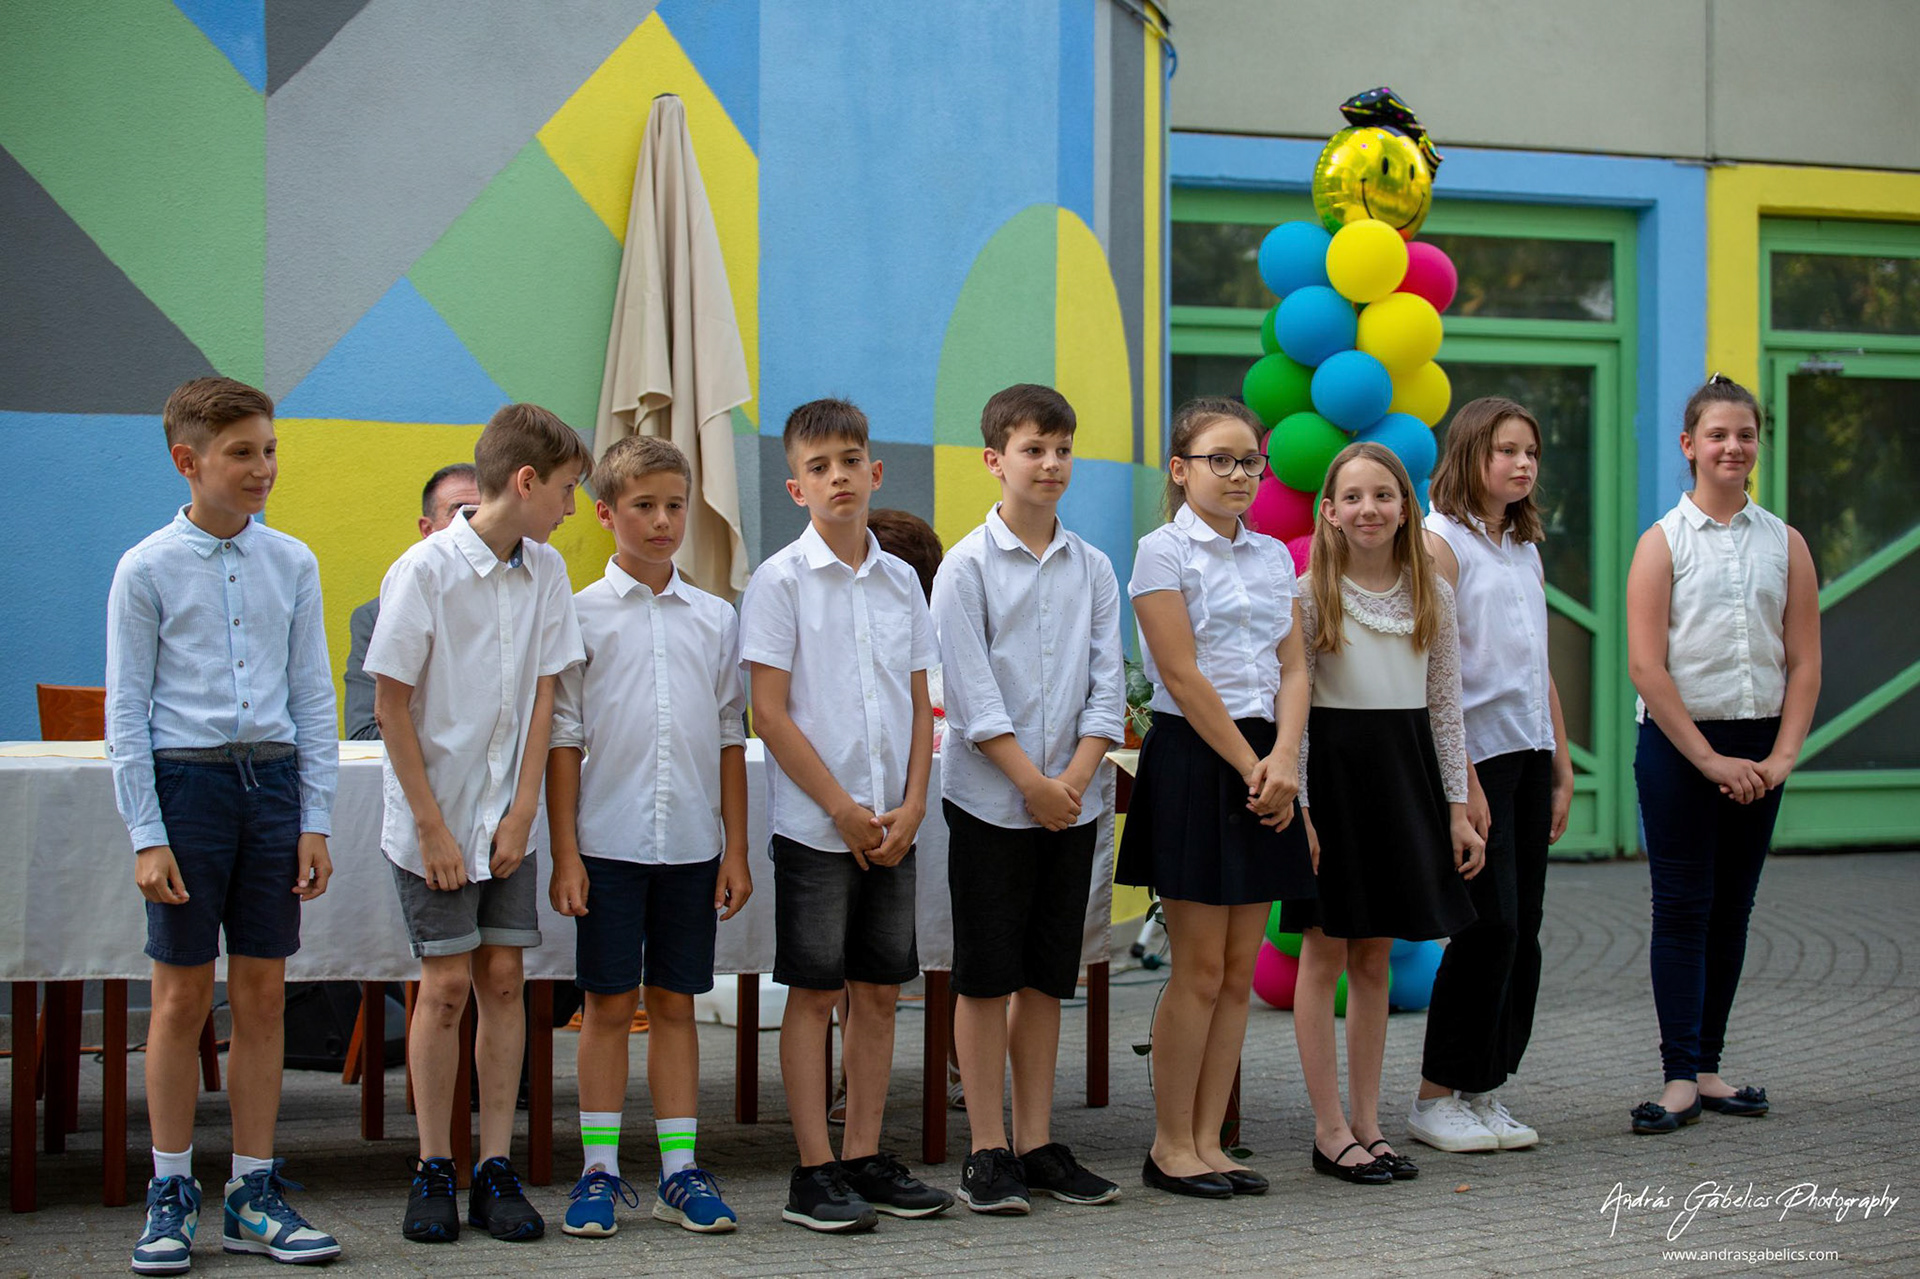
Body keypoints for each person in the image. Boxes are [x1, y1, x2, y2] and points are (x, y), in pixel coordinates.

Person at [107, 376, 341, 1273]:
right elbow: (126, 712)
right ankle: (171, 1188)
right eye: (242, 452)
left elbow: (313, 697)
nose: (262, 468)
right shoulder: (146, 568)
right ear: (188, 460)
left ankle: (252, 1189)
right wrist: (147, 833)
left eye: (269, 449)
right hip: (187, 789)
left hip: (272, 788)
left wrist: (314, 818)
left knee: (263, 995)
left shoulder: (294, 562)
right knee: (178, 997)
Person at [366, 403, 590, 1244]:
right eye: (565, 489)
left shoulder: (548, 571)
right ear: (525, 482)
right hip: (436, 820)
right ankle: (435, 1163)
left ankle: (495, 1164)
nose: (571, 507)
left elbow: (544, 691)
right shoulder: (422, 571)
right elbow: (390, 705)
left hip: (505, 818)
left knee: (503, 980)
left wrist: (524, 808)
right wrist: (432, 827)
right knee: (447, 986)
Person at [738, 398, 952, 1232]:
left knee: (879, 991)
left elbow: (918, 701)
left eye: (850, 461)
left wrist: (912, 803)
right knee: (815, 990)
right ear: (796, 487)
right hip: (817, 827)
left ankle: (863, 1153)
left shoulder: (901, 582)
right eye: (819, 467)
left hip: (893, 821)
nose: (838, 478)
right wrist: (840, 806)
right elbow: (769, 711)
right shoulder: (779, 581)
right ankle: (813, 1168)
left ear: (875, 472)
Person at [546, 435, 752, 1237]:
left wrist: (735, 849)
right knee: (606, 1005)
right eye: (643, 506)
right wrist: (567, 852)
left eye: (674, 505)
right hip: (607, 843)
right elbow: (565, 737)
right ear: (605, 514)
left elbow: (730, 735)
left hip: (693, 846)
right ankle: (598, 1170)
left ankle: (678, 1169)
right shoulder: (579, 614)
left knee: (675, 1002)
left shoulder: (716, 618)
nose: (663, 520)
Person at [932, 384, 1126, 1215]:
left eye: (1062, 449)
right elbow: (972, 699)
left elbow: (1108, 688)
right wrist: (1033, 784)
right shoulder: (965, 566)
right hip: (990, 801)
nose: (1051, 463)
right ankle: (987, 1148)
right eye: (1033, 449)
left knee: (1048, 973)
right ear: (994, 460)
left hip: (1073, 802)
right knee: (986, 975)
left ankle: (1038, 1140)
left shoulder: (1094, 566)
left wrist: (1072, 783)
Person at [1117, 397, 1312, 1200]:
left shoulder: (1272, 557)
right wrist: (1252, 765)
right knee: (1197, 967)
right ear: (1180, 468)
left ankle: (1210, 1139)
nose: (1239, 474)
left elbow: (1294, 665)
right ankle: (1170, 1145)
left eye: (1249, 462)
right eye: (1220, 460)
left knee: (1237, 971)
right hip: (1199, 760)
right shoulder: (1161, 551)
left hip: (1268, 759)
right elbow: (1180, 672)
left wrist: (1285, 758)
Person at [1624, 375, 1820, 1134]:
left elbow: (1804, 662)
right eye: (1717, 435)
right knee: (1682, 908)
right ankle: (1677, 1077)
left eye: (1745, 435)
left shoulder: (1786, 543)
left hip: (1760, 749)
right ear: (1689, 445)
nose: (1732, 447)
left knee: (1732, 910)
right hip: (1680, 748)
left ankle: (1708, 1068)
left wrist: (1782, 757)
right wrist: (1707, 760)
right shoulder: (1662, 542)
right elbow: (1647, 667)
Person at [1285, 441, 1483, 1186]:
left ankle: (1368, 1123)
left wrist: (1456, 808)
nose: (1368, 509)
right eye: (1353, 497)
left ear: (1406, 507)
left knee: (1374, 956)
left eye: (1383, 495)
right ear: (1329, 511)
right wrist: (1303, 808)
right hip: (1333, 784)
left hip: (1404, 782)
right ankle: (1328, 1128)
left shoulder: (1433, 593)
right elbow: (1297, 713)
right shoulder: (1309, 595)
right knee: (1324, 951)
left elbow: (1445, 709)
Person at [1408, 397, 1576, 1154]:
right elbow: (1434, 673)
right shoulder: (1441, 542)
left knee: (1522, 931)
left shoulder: (1523, 545)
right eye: (1506, 450)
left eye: (1530, 452)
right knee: (1485, 926)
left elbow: (1537, 664)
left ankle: (1483, 1088)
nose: (1522, 464)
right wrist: (1463, 781)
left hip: (1529, 753)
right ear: (1471, 454)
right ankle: (1434, 1096)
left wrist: (1562, 762)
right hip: (1475, 758)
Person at [343, 463, 481, 740]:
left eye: (483, 512)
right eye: (461, 514)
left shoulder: (525, 602)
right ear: (427, 529)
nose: (476, 527)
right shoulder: (377, 617)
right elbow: (365, 732)